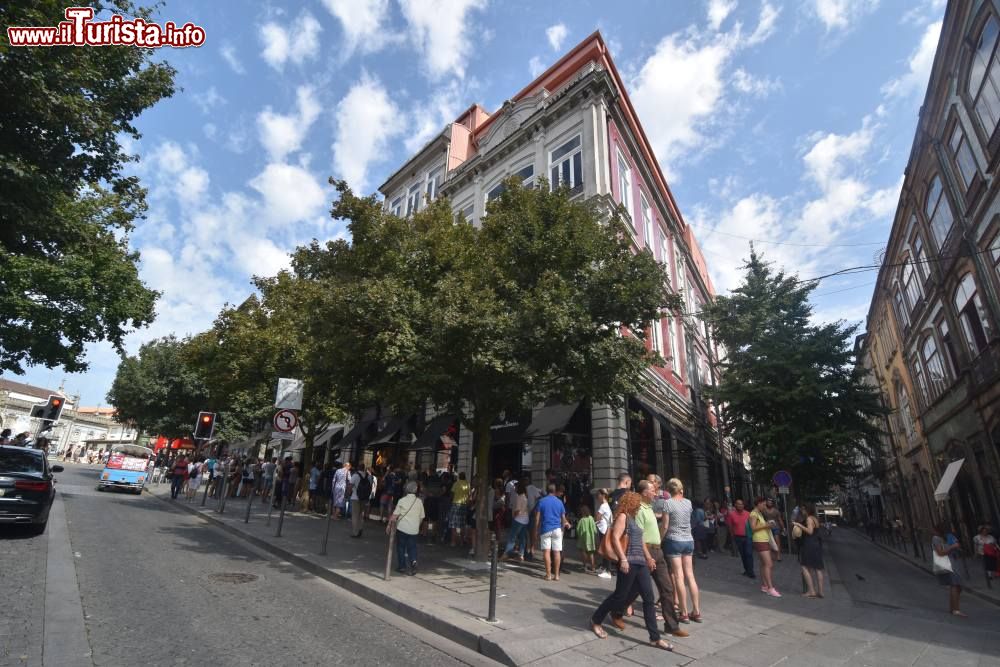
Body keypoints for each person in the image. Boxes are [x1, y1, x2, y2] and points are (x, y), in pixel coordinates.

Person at [589, 491, 673, 652]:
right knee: (619, 595)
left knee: (648, 598)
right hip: (629, 561)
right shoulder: (623, 517)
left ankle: (655, 638)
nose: (639, 505)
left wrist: (648, 558)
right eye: (637, 502)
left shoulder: (634, 518)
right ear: (631, 502)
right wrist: (623, 559)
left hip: (640, 562)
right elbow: (615, 537)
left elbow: (640, 541)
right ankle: (596, 619)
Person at [610, 479, 686, 638]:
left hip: (657, 552)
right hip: (645, 553)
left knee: (667, 588)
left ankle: (671, 625)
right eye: (653, 489)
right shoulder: (637, 509)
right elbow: (638, 535)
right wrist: (647, 556)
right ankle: (617, 611)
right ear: (644, 492)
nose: (656, 492)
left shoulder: (650, 507)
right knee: (634, 589)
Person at [662, 478, 702, 622]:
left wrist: (660, 539)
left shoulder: (668, 503)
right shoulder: (688, 502)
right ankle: (696, 611)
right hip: (688, 540)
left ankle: (684, 613)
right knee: (690, 575)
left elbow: (665, 525)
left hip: (674, 540)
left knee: (679, 576)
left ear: (668, 489)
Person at [534, 483, 571, 581]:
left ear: (546, 491)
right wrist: (562, 529)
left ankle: (548, 575)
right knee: (557, 552)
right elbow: (563, 518)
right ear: (554, 491)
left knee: (546, 551)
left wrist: (536, 530)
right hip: (557, 529)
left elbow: (537, 518)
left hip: (545, 528)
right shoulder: (559, 502)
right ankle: (557, 575)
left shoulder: (541, 501)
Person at [391, 481, 425, 575]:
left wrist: (389, 525)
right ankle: (413, 561)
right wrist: (417, 525)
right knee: (412, 547)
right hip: (414, 529)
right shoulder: (419, 501)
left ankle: (402, 566)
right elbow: (422, 516)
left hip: (402, 528)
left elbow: (395, 515)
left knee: (401, 547)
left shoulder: (402, 500)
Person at [932, 522, 966, 617]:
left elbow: (957, 547)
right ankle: (956, 609)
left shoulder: (949, 536)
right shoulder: (936, 538)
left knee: (958, 585)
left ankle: (953, 608)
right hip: (948, 563)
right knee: (955, 585)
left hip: (954, 562)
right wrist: (952, 547)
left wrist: (957, 546)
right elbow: (940, 553)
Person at [792, 502, 825, 598]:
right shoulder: (815, 518)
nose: (802, 511)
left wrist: (799, 525)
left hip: (809, 544)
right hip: (816, 544)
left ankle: (811, 591)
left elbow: (810, 531)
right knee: (818, 568)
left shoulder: (809, 519)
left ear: (807, 510)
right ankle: (821, 592)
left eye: (803, 509)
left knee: (804, 567)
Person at [750, 497, 780, 597]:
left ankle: (765, 585)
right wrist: (766, 525)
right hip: (760, 540)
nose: (764, 506)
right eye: (763, 504)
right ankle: (770, 588)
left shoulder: (758, 513)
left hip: (763, 539)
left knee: (763, 564)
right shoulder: (754, 514)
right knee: (769, 564)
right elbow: (753, 528)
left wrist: (767, 525)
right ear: (758, 504)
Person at [726, 499, 754, 577]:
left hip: (748, 536)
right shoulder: (732, 514)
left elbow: (752, 525)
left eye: (741, 504)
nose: (740, 505)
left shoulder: (748, 514)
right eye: (738, 504)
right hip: (738, 537)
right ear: (735, 505)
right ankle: (746, 570)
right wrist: (732, 536)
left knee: (749, 553)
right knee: (743, 555)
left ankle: (751, 571)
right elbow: (730, 526)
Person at [503, 482, 530, 560]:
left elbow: (517, 510)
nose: (515, 488)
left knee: (512, 537)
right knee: (522, 537)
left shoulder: (519, 497)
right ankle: (521, 554)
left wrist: (514, 516)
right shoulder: (525, 496)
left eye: (516, 487)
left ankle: (506, 553)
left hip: (518, 519)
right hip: (525, 519)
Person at [595, 488, 613, 578]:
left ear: (603, 495)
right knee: (604, 549)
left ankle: (608, 570)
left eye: (598, 495)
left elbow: (598, 517)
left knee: (605, 550)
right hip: (605, 529)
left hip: (604, 530)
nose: (597, 497)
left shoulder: (603, 506)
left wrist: (596, 523)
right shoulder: (606, 505)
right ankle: (604, 567)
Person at [524, 476, 542, 560]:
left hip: (531, 513)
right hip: (524, 513)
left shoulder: (532, 488)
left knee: (531, 532)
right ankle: (526, 549)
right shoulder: (522, 488)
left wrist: (535, 508)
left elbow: (539, 498)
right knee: (526, 532)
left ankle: (531, 549)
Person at [576, 505, 598, 572]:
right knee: (591, 553)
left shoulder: (582, 520)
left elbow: (578, 529)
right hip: (591, 538)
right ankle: (593, 567)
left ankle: (584, 566)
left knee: (583, 552)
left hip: (583, 538)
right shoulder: (591, 518)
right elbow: (594, 528)